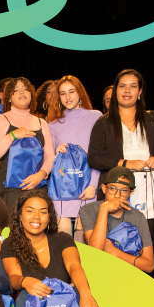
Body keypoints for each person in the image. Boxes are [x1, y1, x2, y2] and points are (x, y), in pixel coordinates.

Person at [1, 189, 102, 307]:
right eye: (30, 210)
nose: (36, 217)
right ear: (19, 215)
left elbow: (74, 267)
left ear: (50, 216)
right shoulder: (10, 244)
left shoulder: (62, 239)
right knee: (26, 291)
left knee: (80, 290)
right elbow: (14, 279)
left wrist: (87, 295)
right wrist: (25, 281)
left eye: (43, 211)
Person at [88, 69, 154, 201]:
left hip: (150, 187)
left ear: (140, 92)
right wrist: (125, 163)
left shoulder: (152, 118)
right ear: (116, 92)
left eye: (133, 86)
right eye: (122, 86)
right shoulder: (103, 122)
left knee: (148, 223)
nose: (127, 90)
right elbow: (93, 159)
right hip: (117, 189)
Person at [0, 77, 55, 213]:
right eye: (16, 90)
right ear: (9, 98)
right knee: (12, 231)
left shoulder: (41, 123)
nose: (22, 92)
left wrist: (41, 174)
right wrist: (13, 135)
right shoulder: (1, 120)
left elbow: (50, 156)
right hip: (11, 189)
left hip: (38, 186)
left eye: (25, 89)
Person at [47, 75, 102, 238]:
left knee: (83, 234)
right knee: (63, 236)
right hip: (62, 186)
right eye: (63, 93)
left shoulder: (95, 116)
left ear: (80, 93)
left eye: (71, 91)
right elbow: (49, 158)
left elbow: (99, 154)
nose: (67, 97)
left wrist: (93, 184)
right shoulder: (53, 124)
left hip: (86, 185)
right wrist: (56, 152)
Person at [79, 167, 154, 274]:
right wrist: (104, 209)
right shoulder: (89, 210)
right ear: (104, 189)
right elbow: (95, 249)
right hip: (99, 273)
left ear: (130, 193)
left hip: (128, 275)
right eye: (113, 188)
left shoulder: (138, 217)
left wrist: (116, 253)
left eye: (124, 190)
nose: (117, 195)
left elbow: (149, 265)